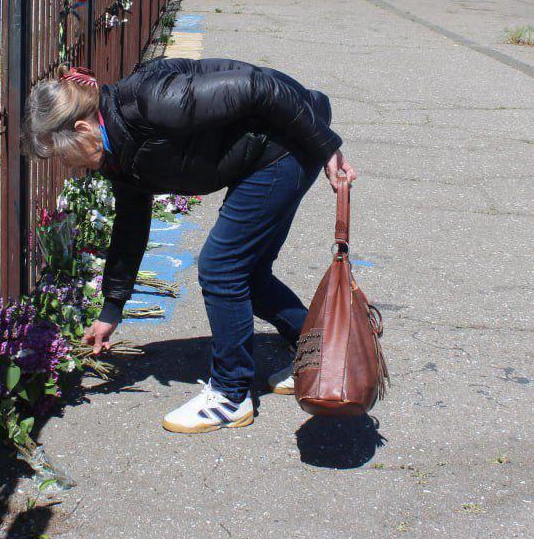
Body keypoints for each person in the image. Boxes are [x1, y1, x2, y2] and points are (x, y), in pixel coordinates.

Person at [24, 59, 355, 433]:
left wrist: (327, 147)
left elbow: (259, 88)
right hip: (265, 152)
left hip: (287, 141)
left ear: (82, 129)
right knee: (248, 272)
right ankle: (321, 353)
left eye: (63, 155)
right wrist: (111, 308)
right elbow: (131, 222)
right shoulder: (115, 149)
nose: (68, 166)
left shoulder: (151, 102)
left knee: (222, 267)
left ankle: (230, 395)